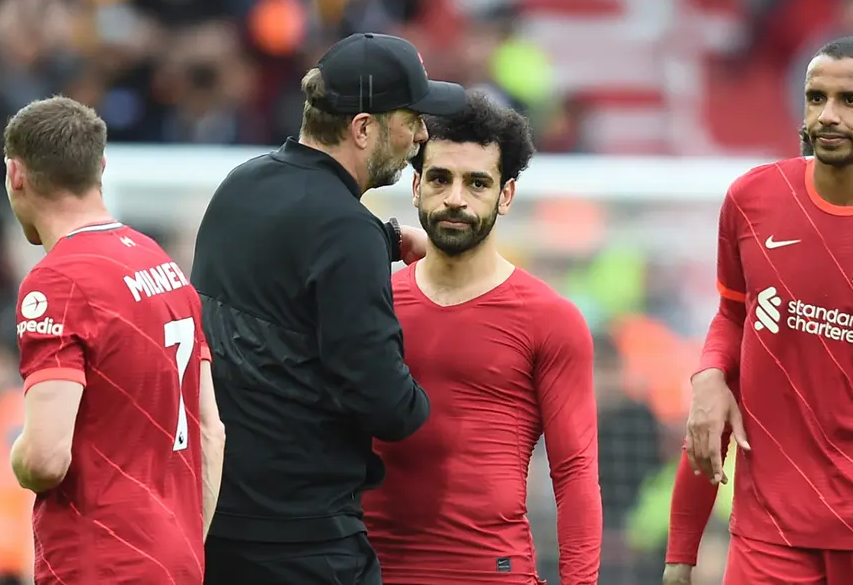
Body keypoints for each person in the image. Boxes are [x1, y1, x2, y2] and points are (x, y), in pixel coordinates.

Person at [191, 32, 466, 585]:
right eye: (410, 118)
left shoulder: (242, 184)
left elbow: (291, 263)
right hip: (303, 538)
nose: (421, 134)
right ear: (363, 128)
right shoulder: (345, 231)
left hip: (216, 518)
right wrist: (446, 405)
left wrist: (385, 239)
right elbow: (382, 400)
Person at [664, 36, 853, 585]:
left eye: (850, 100)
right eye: (815, 96)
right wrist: (708, 373)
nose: (827, 115)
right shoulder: (753, 198)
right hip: (768, 529)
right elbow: (732, 315)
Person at [362, 91, 602, 585]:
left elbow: (575, 473)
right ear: (415, 187)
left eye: (477, 183)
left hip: (491, 572)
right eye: (440, 178)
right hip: (365, 570)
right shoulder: (368, 301)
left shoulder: (550, 319)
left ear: (505, 196)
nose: (455, 198)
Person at [5, 96, 226, 584]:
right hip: (178, 561)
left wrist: (16, 452)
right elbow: (212, 433)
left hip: (100, 564)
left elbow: (44, 459)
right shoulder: (165, 268)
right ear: (101, 166)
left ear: (15, 174)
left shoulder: (57, 282)